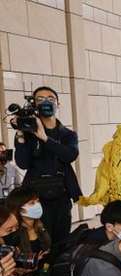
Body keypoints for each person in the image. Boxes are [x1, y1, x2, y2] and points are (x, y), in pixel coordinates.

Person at [12, 86, 81, 247]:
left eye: (50, 98)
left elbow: (70, 155)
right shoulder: (26, 132)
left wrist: (44, 138)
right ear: (34, 105)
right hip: (36, 197)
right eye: (40, 99)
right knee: (40, 241)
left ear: (58, 104)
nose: (46, 102)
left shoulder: (68, 134)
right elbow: (22, 163)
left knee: (62, 242)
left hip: (62, 195)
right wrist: (21, 135)